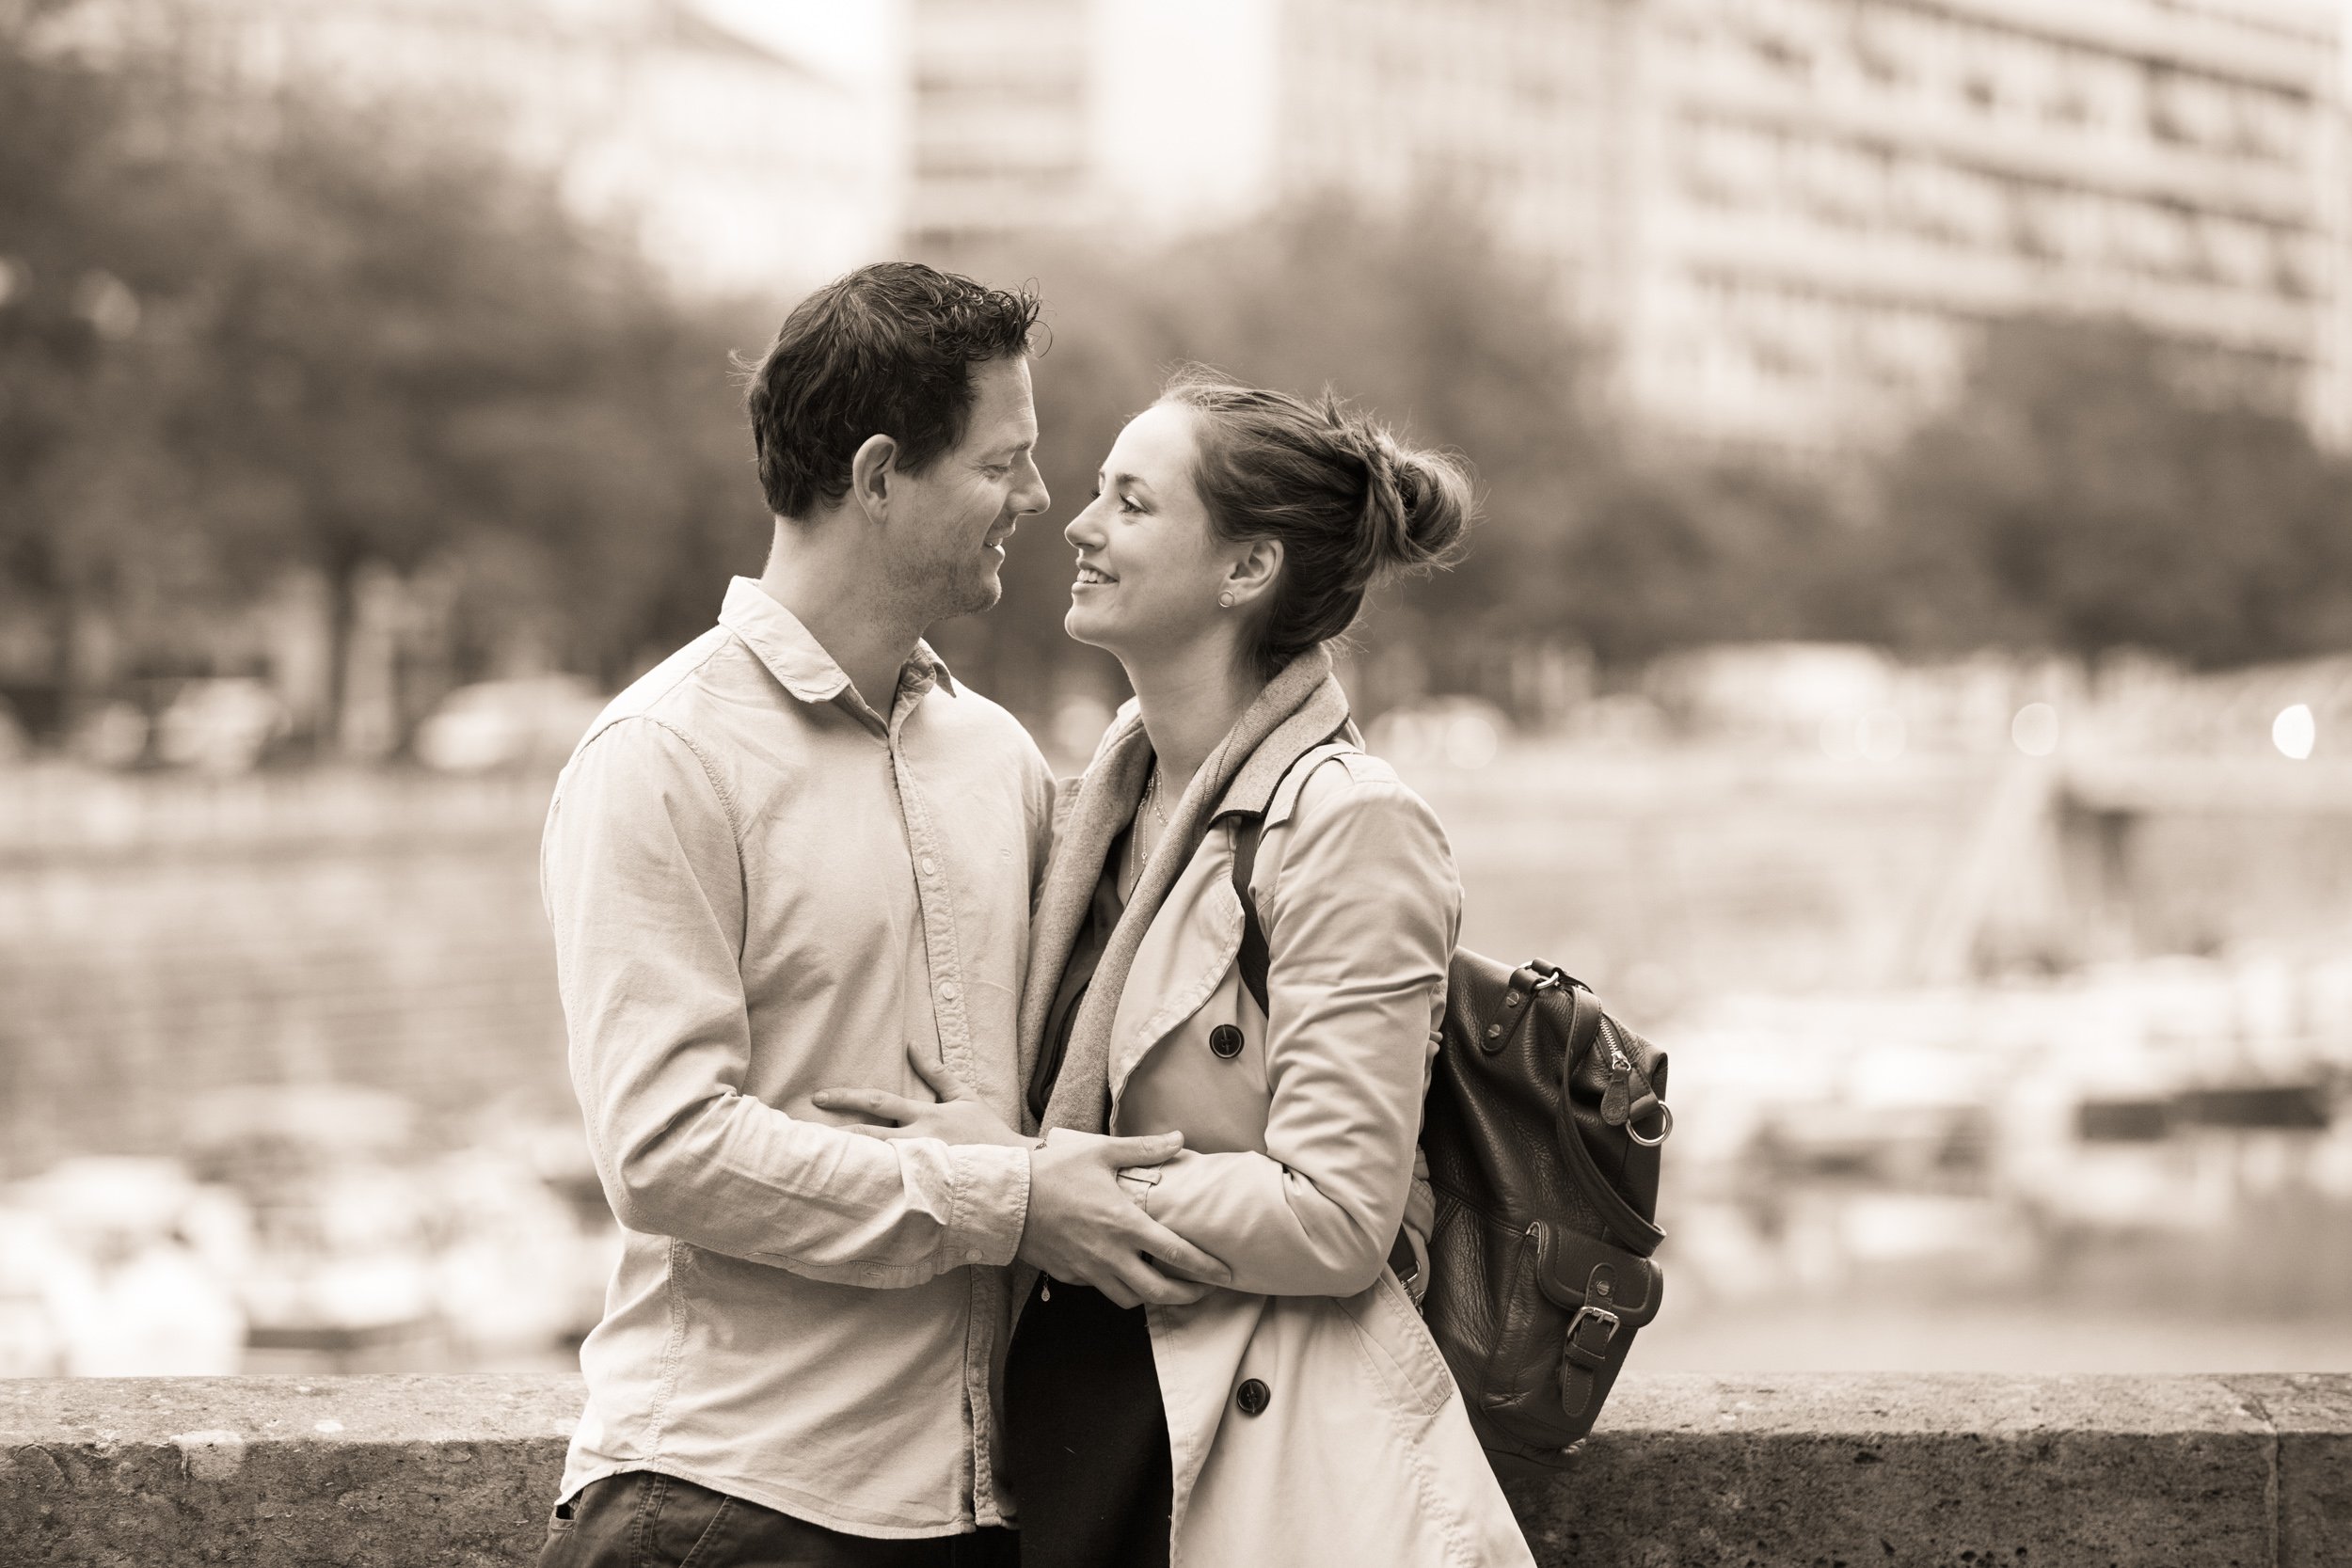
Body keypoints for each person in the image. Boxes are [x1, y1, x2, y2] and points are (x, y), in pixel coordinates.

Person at [534, 264, 1232, 1568]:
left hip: (969, 1514)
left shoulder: (1001, 758)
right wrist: (1004, 1197)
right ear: (876, 474)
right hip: (726, 1504)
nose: (1038, 498)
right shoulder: (663, 755)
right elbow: (667, 1150)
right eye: (1004, 461)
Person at [824, 370, 1539, 1565]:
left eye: (1132, 503)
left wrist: (1033, 1178)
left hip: (1230, 1448)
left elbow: (1337, 1215)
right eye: (1097, 491)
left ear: (1244, 570)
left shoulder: (1349, 824)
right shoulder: (1105, 798)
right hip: (1069, 1429)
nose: (1080, 524)